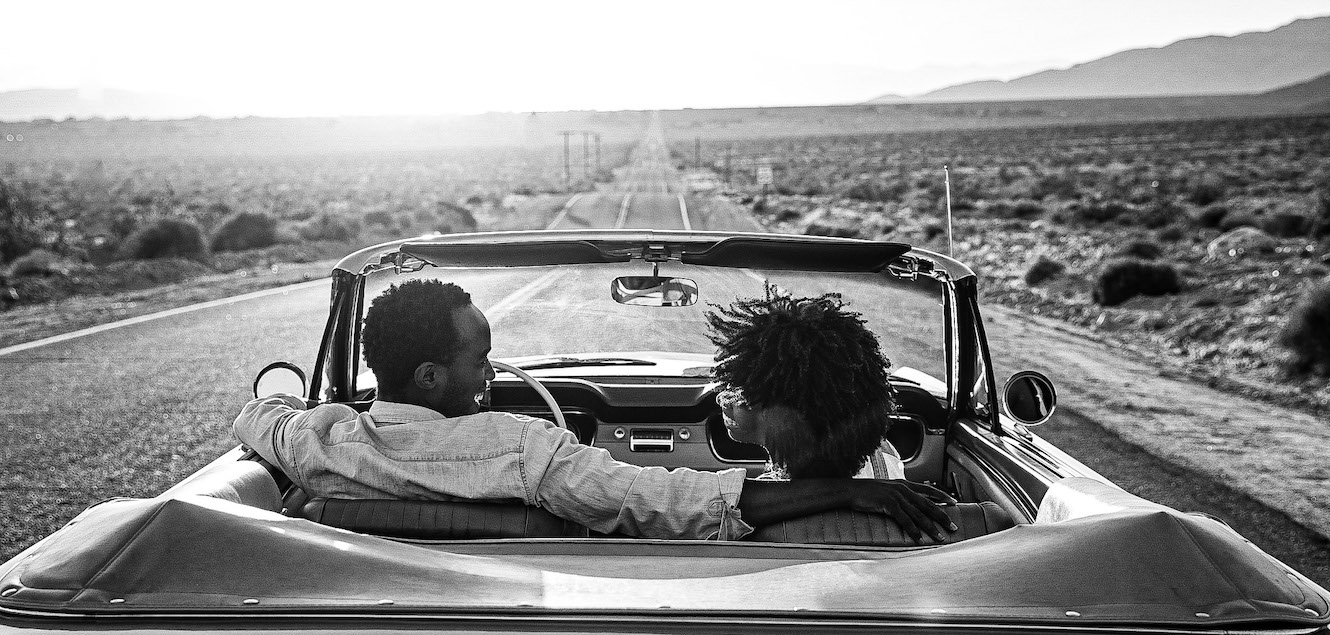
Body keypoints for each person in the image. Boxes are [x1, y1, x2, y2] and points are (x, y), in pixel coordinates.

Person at [234, 279, 956, 543]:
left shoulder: (315, 440)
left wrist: (298, 405)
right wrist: (852, 489)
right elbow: (664, 501)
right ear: (428, 375)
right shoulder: (524, 448)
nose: (493, 368)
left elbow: (257, 415)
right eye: (481, 358)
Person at [708, 289, 905, 480]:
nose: (721, 397)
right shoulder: (886, 460)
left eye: (737, 390)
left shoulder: (747, 506)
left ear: (783, 413)